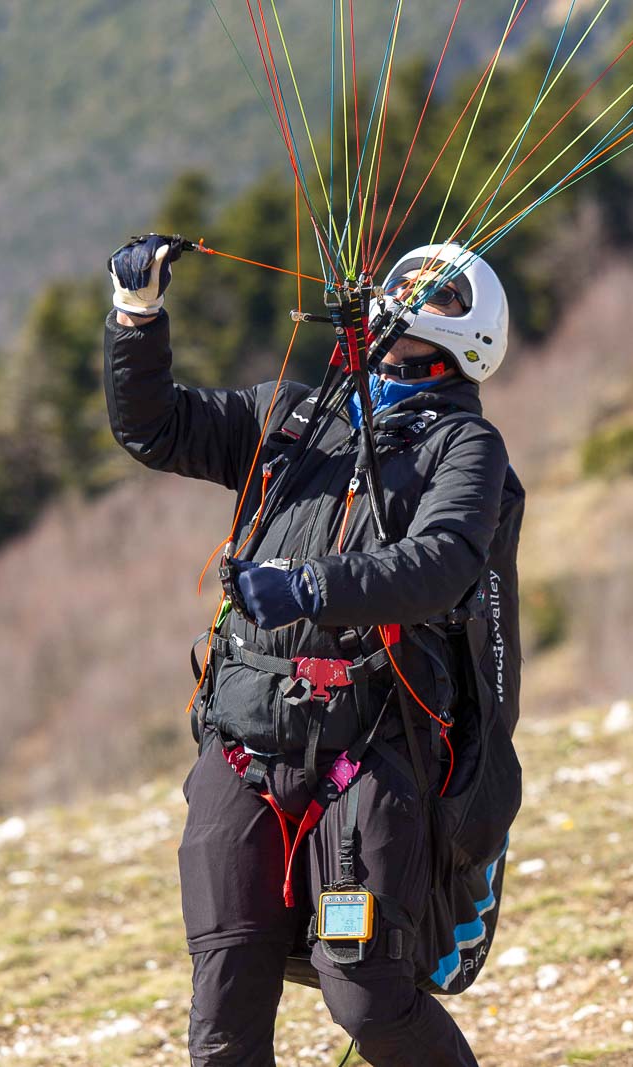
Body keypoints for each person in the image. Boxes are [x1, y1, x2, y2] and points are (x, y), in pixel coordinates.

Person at [103, 234, 514, 1067]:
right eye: (405, 286)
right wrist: (135, 317)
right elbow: (155, 427)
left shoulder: (465, 447)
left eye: (435, 295)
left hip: (370, 747)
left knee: (368, 995)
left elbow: (444, 560)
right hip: (244, 741)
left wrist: (312, 587)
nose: (406, 300)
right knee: (223, 1020)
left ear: (471, 332)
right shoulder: (289, 418)